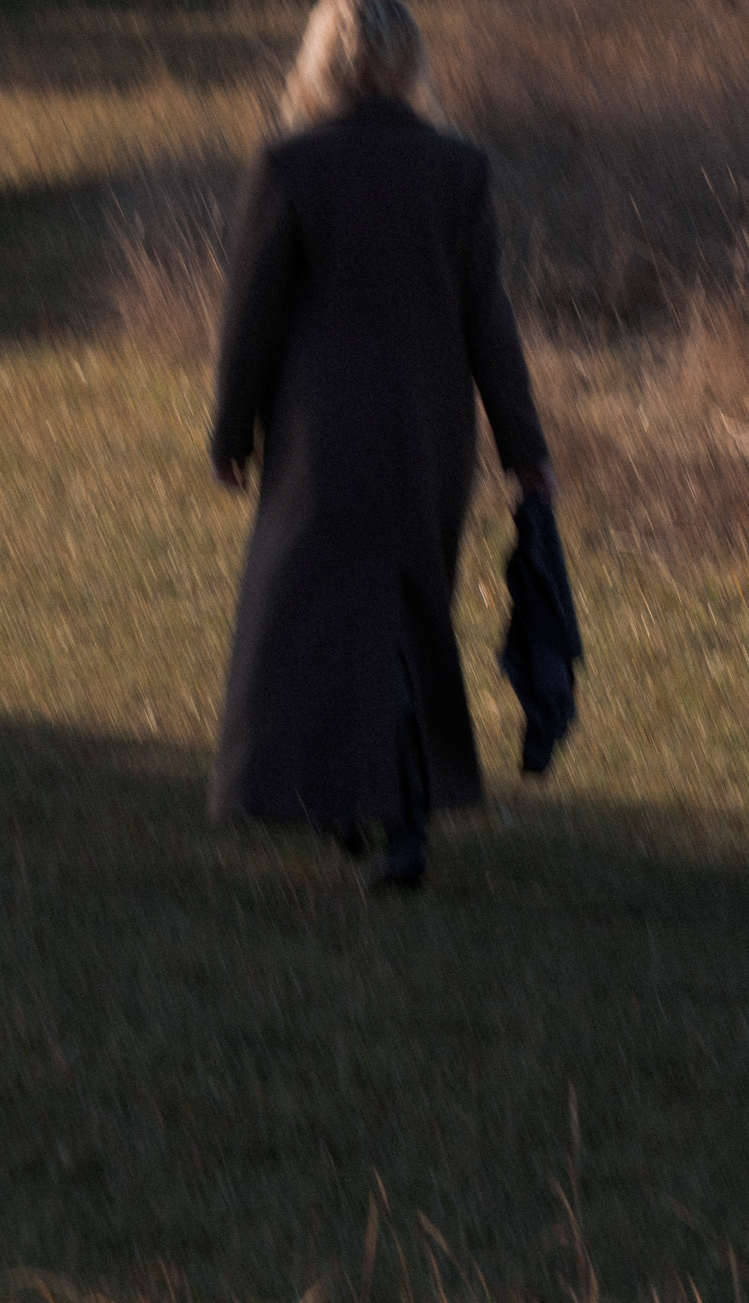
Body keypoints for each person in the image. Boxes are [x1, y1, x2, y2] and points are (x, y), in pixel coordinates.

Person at [208, 0, 557, 890]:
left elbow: (250, 321)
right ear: (409, 61)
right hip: (428, 435)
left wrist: (232, 432)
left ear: (318, 61)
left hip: (319, 438)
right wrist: (522, 449)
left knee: (316, 618)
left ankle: (354, 807)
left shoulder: (289, 166)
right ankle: (391, 818)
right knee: (404, 619)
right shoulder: (458, 170)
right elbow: (489, 324)